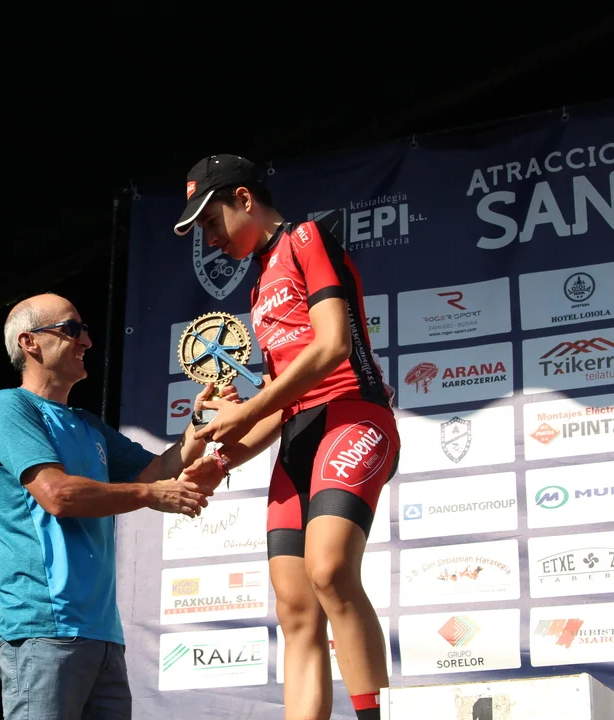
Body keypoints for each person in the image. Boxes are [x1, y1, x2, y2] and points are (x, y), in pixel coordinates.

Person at [174, 154, 400, 720]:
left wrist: (248, 408)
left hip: (352, 415)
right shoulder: (257, 289)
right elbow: (280, 405)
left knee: (329, 570)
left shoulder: (306, 239)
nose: (209, 239)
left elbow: (332, 345)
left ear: (244, 198)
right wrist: (221, 457)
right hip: (298, 436)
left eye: (211, 221)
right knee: (295, 608)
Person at [0, 292, 239, 720]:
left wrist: (202, 422)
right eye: (71, 329)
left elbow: (158, 471)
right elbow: (58, 495)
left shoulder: (87, 424)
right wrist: (151, 495)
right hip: (43, 630)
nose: (86, 340)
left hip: (103, 635)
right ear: (29, 342)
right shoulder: (8, 407)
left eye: (84, 330)